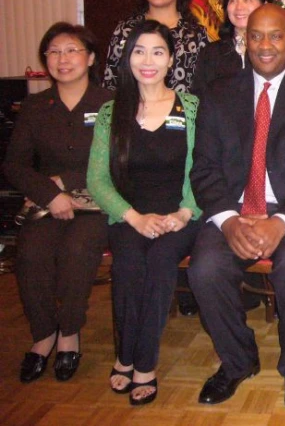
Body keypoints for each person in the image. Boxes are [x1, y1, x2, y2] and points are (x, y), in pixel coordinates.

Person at [187, 4, 285, 412]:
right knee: (205, 267)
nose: (265, 45)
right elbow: (202, 168)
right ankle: (238, 361)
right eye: (256, 36)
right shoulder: (218, 94)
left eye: (275, 36)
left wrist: (280, 222)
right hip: (234, 208)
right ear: (244, 41)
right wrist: (227, 220)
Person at [88, 20, 202, 405]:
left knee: (161, 262)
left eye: (157, 51)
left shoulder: (190, 107)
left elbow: (203, 169)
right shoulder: (110, 111)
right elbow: (98, 180)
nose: (148, 60)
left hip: (179, 216)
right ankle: (125, 354)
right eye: (139, 51)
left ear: (171, 59)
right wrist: (133, 216)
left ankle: (145, 364)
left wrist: (185, 212)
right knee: (128, 265)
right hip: (130, 216)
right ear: (128, 58)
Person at [3, 23, 112, 384]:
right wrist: (51, 194)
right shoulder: (35, 106)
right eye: (54, 51)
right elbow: (14, 163)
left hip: (96, 199)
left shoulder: (109, 103)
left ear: (91, 57)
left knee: (77, 250)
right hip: (45, 201)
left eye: (72, 50)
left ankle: (68, 333)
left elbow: (120, 160)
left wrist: (67, 183)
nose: (63, 59)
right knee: (30, 253)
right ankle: (43, 334)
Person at [102, 0, 208, 93]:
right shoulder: (125, 30)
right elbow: (111, 83)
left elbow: (205, 90)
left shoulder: (195, 35)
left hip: (184, 114)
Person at [191, 0, 285, 97]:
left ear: (264, 4)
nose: (239, 7)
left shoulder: (284, 47)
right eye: (233, 0)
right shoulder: (210, 54)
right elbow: (199, 99)